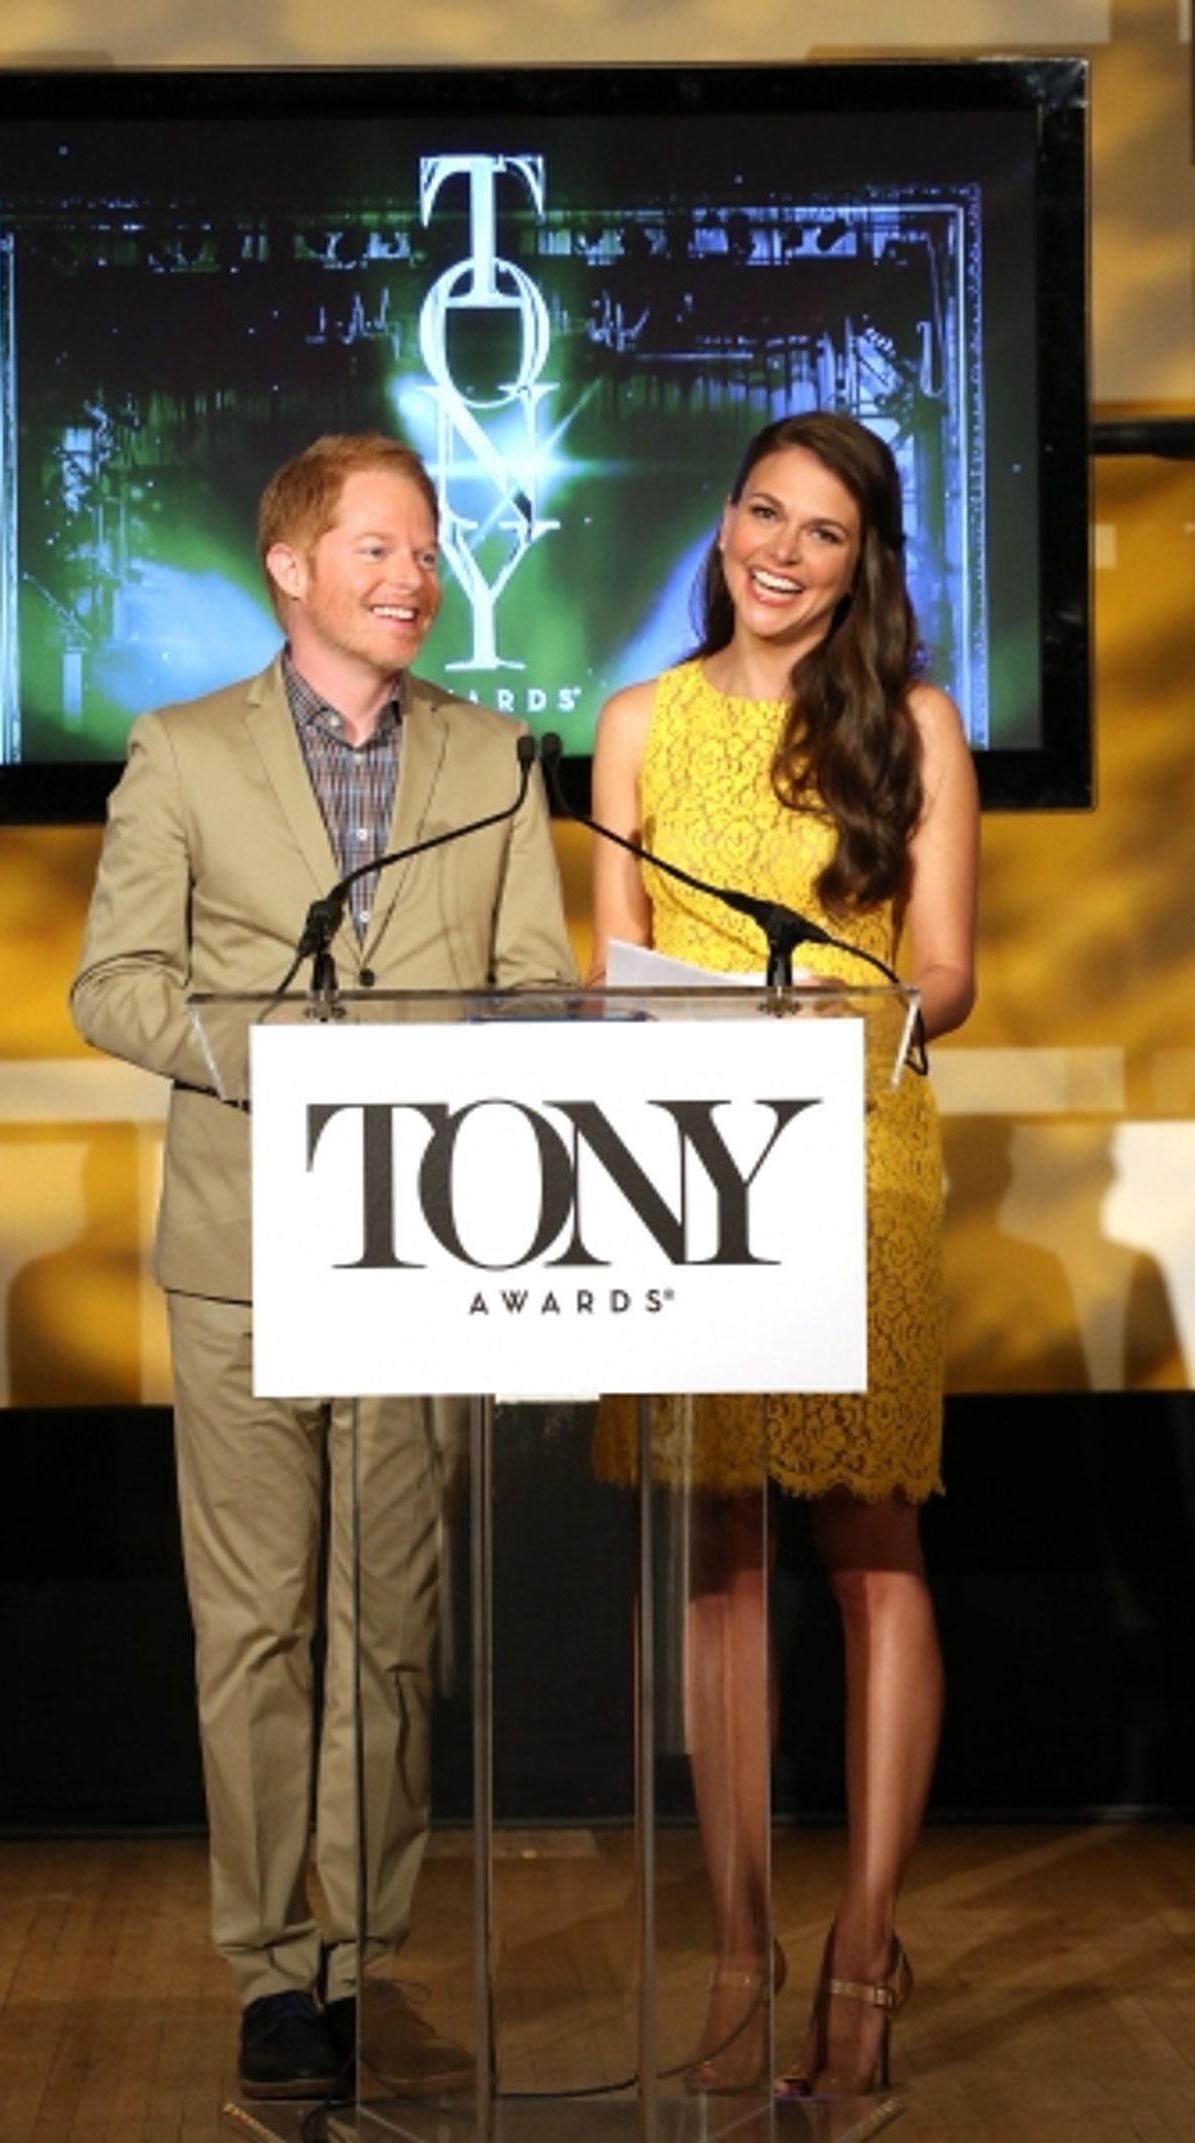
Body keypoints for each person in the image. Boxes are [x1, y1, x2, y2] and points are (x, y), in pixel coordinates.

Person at [70, 433, 575, 2102]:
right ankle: (270, 1968)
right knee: (255, 1630)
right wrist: (277, 1050)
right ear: (291, 567)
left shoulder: (496, 759)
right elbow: (113, 985)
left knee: (389, 1631)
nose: (414, 577)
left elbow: (534, 989)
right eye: (378, 549)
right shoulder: (181, 749)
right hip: (243, 1254)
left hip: (426, 1253)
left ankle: (358, 1957)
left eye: (426, 551)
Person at [589, 410, 978, 2098]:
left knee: (871, 1550)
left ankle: (865, 1951)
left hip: (859, 1153)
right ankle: (739, 1955)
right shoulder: (637, 724)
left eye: (824, 532)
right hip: (685, 1169)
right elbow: (612, 966)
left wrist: (845, 1003)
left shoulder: (913, 725)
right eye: (765, 513)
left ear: (861, 561)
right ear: (725, 524)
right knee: (721, 1560)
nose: (783, 552)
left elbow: (951, 973)